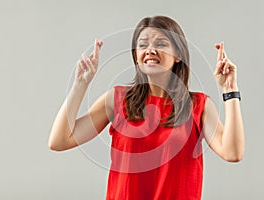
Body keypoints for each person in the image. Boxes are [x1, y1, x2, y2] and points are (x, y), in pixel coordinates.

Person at [49, 16, 245, 200]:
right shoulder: (116, 100)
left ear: (178, 55)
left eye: (160, 44)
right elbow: (59, 141)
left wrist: (230, 90)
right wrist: (80, 84)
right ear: (136, 55)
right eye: (143, 45)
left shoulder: (198, 105)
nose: (150, 50)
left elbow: (233, 152)